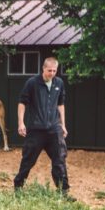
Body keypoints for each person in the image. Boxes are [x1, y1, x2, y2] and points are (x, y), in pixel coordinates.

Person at [13, 56, 70, 195]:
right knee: (28, 160)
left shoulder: (59, 83)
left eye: (54, 70)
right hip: (36, 129)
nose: (52, 73)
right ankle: (18, 187)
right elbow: (22, 103)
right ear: (43, 69)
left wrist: (63, 125)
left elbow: (60, 104)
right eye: (49, 70)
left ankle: (63, 192)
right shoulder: (32, 83)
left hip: (54, 129)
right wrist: (21, 123)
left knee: (60, 159)